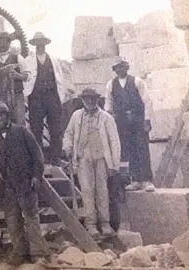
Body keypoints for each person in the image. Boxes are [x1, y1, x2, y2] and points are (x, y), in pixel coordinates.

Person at [0, 102, 49, 265]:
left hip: (26, 183)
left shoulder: (22, 131)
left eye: (1, 115)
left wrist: (36, 176)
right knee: (13, 221)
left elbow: (37, 155)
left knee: (31, 218)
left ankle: (37, 253)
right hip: (8, 186)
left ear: (7, 116)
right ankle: (20, 252)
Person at [63, 88, 121, 238]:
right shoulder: (77, 116)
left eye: (92, 98)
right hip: (83, 158)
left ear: (97, 99)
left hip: (102, 157)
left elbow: (114, 141)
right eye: (86, 98)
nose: (89, 101)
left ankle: (105, 223)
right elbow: (68, 134)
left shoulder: (106, 118)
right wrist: (68, 147)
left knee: (102, 190)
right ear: (82, 100)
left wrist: (114, 164)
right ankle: (91, 224)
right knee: (87, 191)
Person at [105, 59, 156, 192]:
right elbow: (108, 104)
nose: (120, 70)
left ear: (127, 68)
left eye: (122, 67)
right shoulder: (111, 85)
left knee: (142, 148)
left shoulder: (137, 82)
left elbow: (147, 101)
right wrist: (111, 119)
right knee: (129, 148)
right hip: (122, 122)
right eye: (117, 68)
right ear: (114, 70)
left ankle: (147, 180)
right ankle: (136, 179)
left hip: (138, 120)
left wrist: (147, 120)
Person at [25, 32, 65, 167]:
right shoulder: (28, 61)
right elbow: (26, 78)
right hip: (36, 97)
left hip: (52, 96)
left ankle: (56, 158)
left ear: (45, 44)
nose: (40, 45)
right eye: (37, 43)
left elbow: (60, 78)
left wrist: (61, 96)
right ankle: (38, 158)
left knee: (56, 128)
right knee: (36, 128)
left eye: (42, 42)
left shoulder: (54, 60)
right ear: (34, 44)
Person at [0, 31, 29, 125]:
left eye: (5, 42)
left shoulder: (18, 58)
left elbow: (26, 77)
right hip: (0, 97)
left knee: (19, 123)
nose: (2, 45)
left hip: (17, 97)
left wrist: (17, 75)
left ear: (9, 43)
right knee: (2, 124)